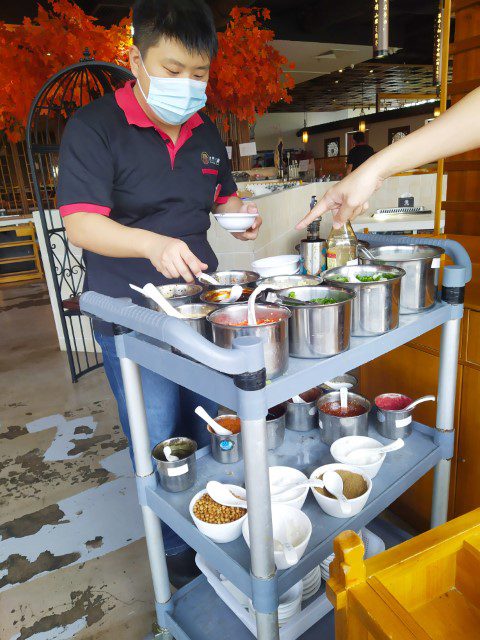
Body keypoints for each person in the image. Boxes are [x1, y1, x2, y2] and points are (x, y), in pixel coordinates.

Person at [57, 0, 262, 587]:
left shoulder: (206, 129)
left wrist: (240, 214)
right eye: (172, 70)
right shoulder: (95, 127)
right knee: (161, 433)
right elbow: (81, 224)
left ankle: (218, 532)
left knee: (212, 426)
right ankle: (177, 555)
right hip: (132, 314)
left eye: (198, 74)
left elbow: (221, 200)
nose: (188, 86)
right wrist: (151, 245)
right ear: (136, 59)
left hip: (203, 306)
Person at [297, 87, 480, 231]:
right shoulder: (369, 149)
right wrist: (373, 171)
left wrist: (369, 173)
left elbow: (350, 168)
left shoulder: (354, 152)